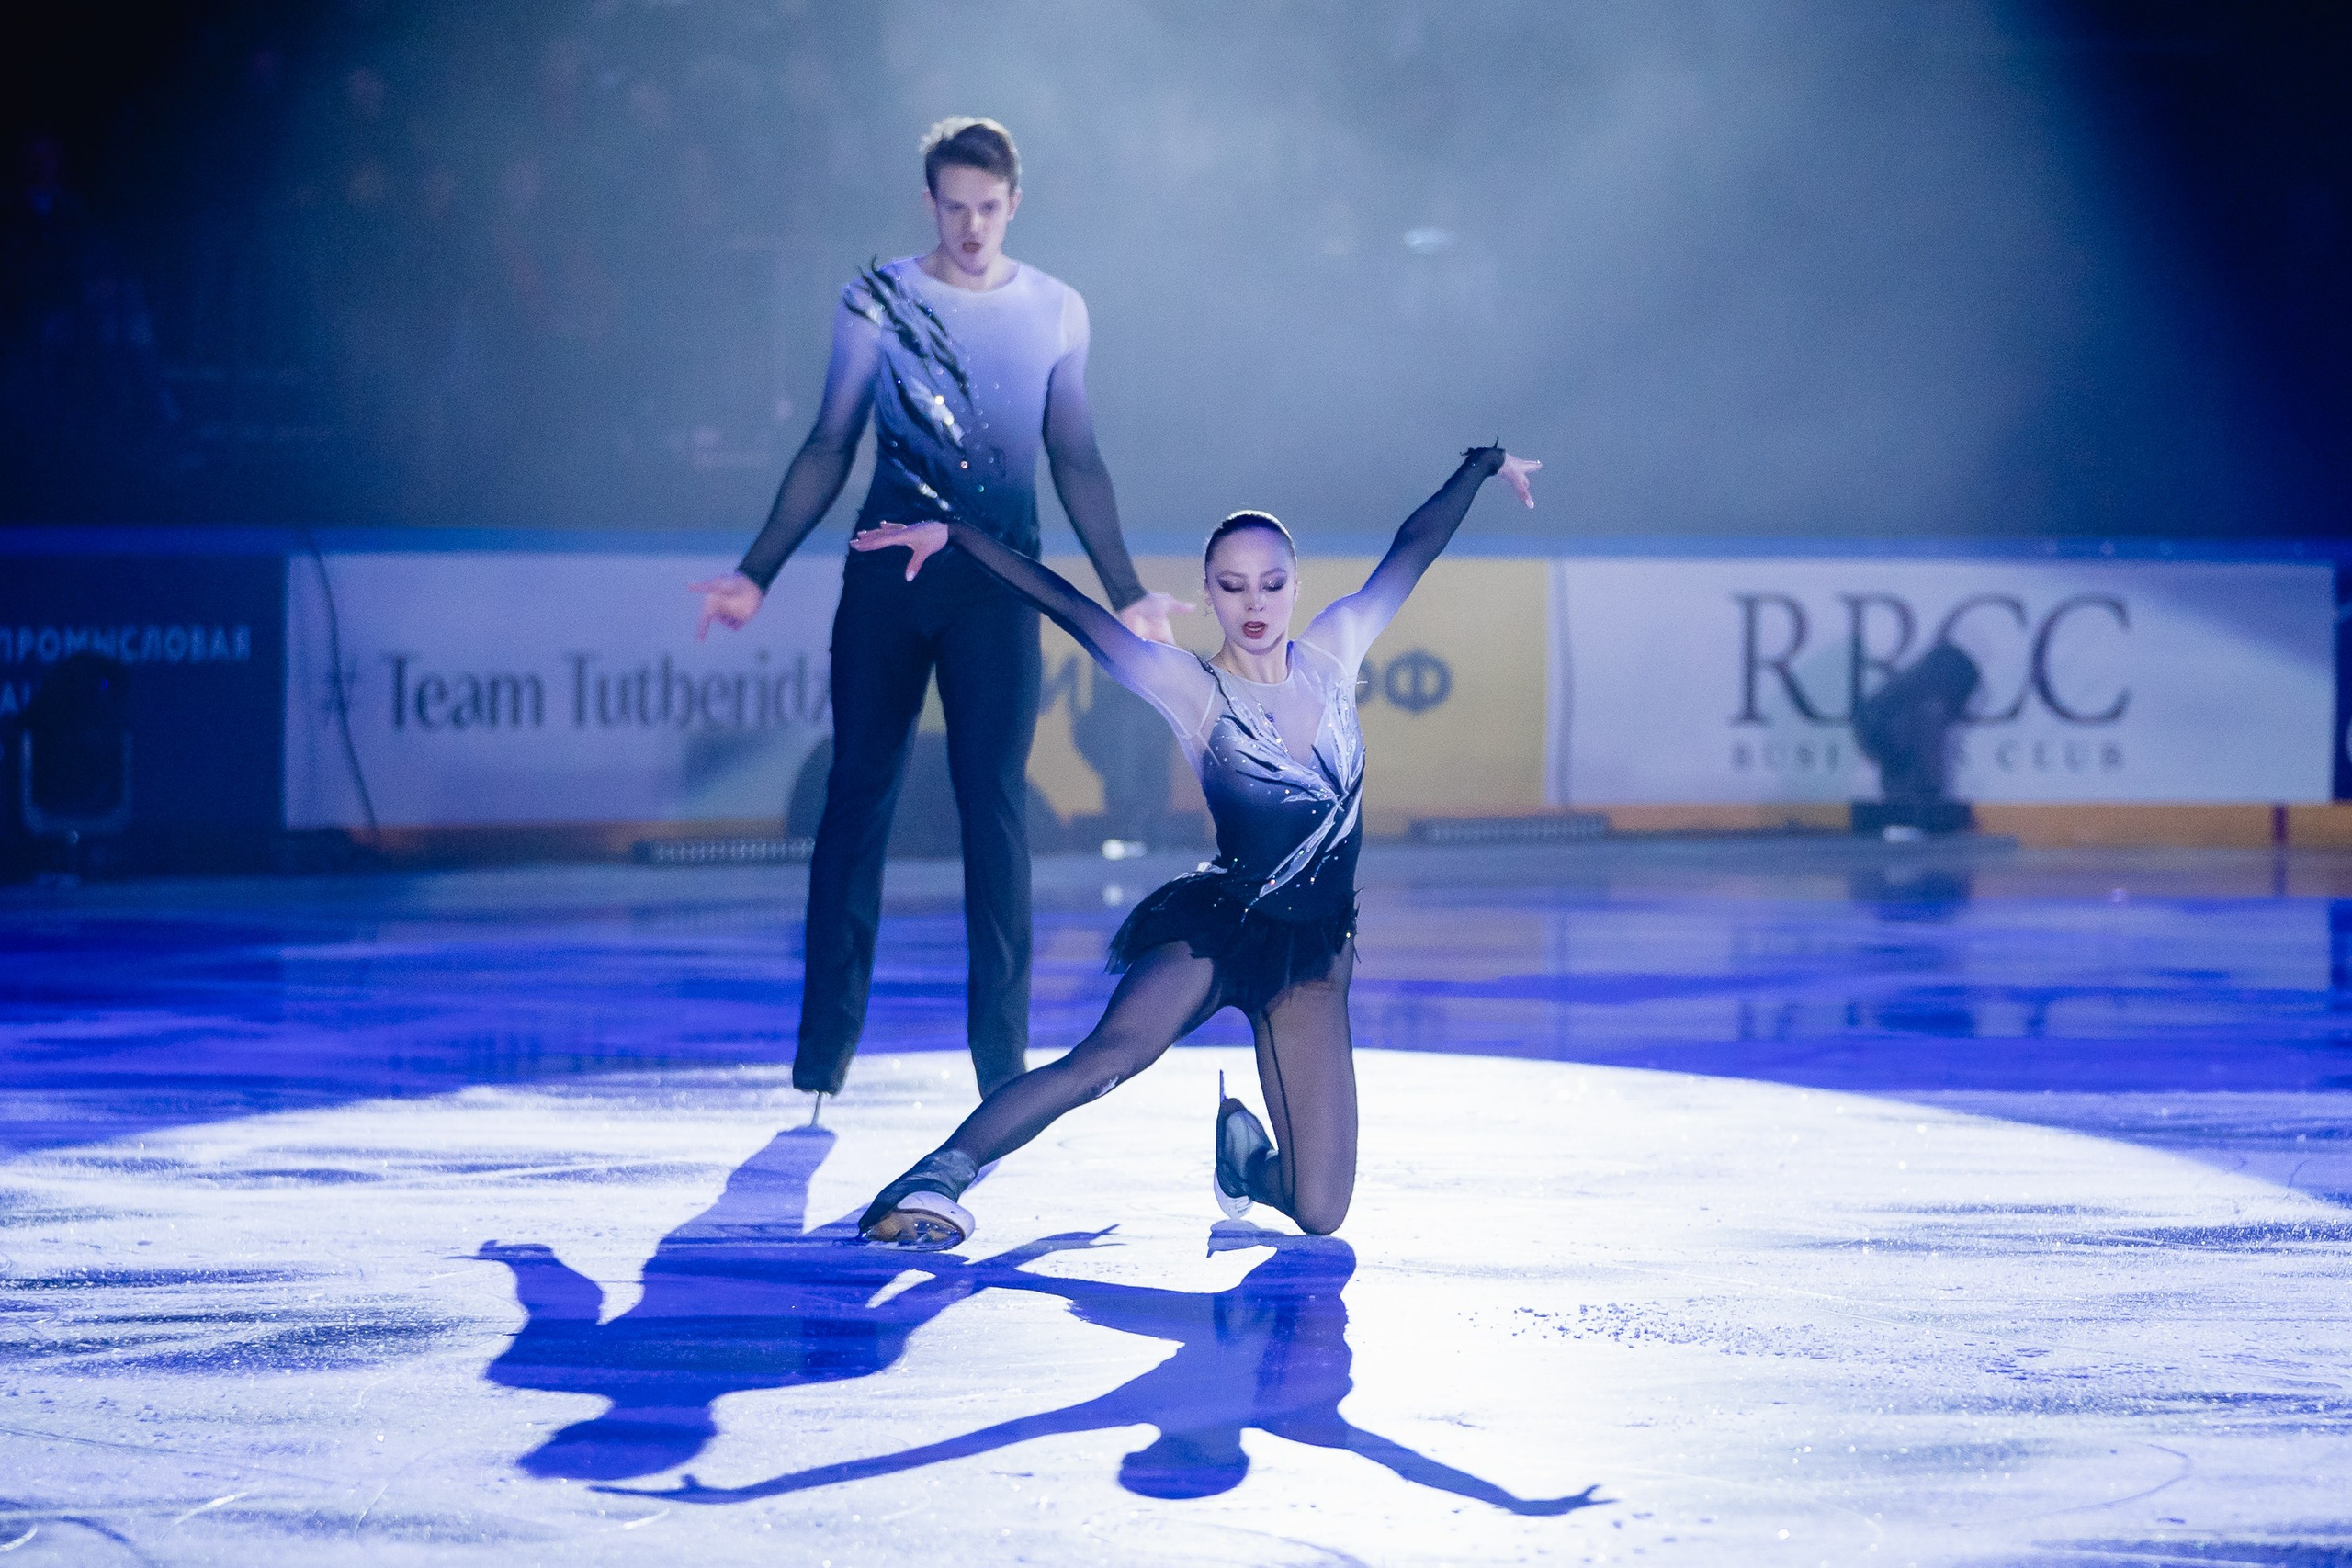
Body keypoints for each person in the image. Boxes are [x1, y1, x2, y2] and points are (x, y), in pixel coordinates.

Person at [846, 444, 1540, 1247]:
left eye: (1273, 583)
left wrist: (1480, 463)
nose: (1255, 602)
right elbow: (1070, 607)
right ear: (1207, 594)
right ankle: (934, 1176)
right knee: (1107, 1058)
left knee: (1321, 1211)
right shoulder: (1188, 686)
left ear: (1295, 587)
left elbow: (1412, 548)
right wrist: (961, 537)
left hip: (1312, 958)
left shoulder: (1336, 649)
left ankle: (1245, 1163)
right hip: (1218, 928)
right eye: (1233, 585)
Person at [692, 118, 1188, 1101]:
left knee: (993, 807)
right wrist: (757, 571)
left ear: (1014, 203)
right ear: (930, 204)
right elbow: (829, 444)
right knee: (856, 797)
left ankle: (999, 1060)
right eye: (954, 209)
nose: (970, 227)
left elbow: (1074, 456)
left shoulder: (1054, 309)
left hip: (997, 587)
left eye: (988, 209)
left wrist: (1125, 588)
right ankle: (822, 1052)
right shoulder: (877, 299)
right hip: (885, 578)